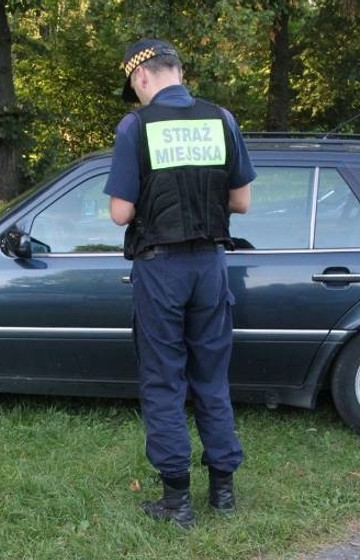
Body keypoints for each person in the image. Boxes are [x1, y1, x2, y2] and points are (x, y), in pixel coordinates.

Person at [104, 38, 255, 528]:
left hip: (161, 268)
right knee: (211, 378)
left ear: (143, 76)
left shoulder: (135, 126)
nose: (137, 92)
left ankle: (177, 502)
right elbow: (242, 202)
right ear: (179, 71)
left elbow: (120, 213)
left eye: (135, 85)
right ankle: (224, 494)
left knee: (164, 380)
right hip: (210, 266)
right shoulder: (222, 119)